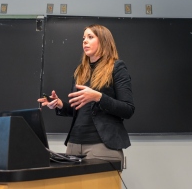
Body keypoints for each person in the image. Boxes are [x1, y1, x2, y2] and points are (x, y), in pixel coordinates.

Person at [37, 24, 134, 165]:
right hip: (74, 144)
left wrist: (98, 97)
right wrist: (59, 105)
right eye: (83, 38)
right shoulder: (80, 71)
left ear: (104, 41)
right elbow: (78, 109)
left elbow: (128, 109)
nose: (84, 41)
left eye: (90, 37)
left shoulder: (117, 68)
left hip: (102, 145)